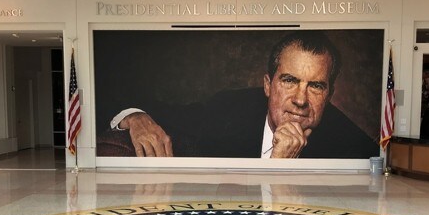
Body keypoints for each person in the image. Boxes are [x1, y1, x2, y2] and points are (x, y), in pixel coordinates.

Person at [104, 31, 378, 159]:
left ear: (329, 94)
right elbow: (167, 114)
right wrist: (136, 117)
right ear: (268, 85)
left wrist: (281, 167)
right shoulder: (228, 109)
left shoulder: (354, 149)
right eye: (289, 80)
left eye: (315, 86)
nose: (300, 99)